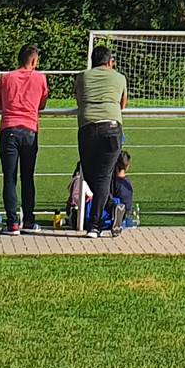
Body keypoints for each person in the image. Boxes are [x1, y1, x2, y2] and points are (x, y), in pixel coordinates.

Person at [0, 43, 47, 234]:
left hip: (9, 130)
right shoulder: (40, 78)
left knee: (9, 178)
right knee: (27, 177)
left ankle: (12, 223)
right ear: (33, 60)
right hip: (30, 131)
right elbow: (42, 104)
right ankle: (29, 221)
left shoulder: (6, 78)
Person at [73, 45, 127, 238]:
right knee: (97, 178)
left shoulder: (82, 77)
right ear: (110, 61)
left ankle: (95, 225)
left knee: (93, 176)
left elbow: (79, 100)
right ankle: (113, 206)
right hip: (111, 128)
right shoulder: (119, 78)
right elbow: (123, 103)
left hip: (88, 127)